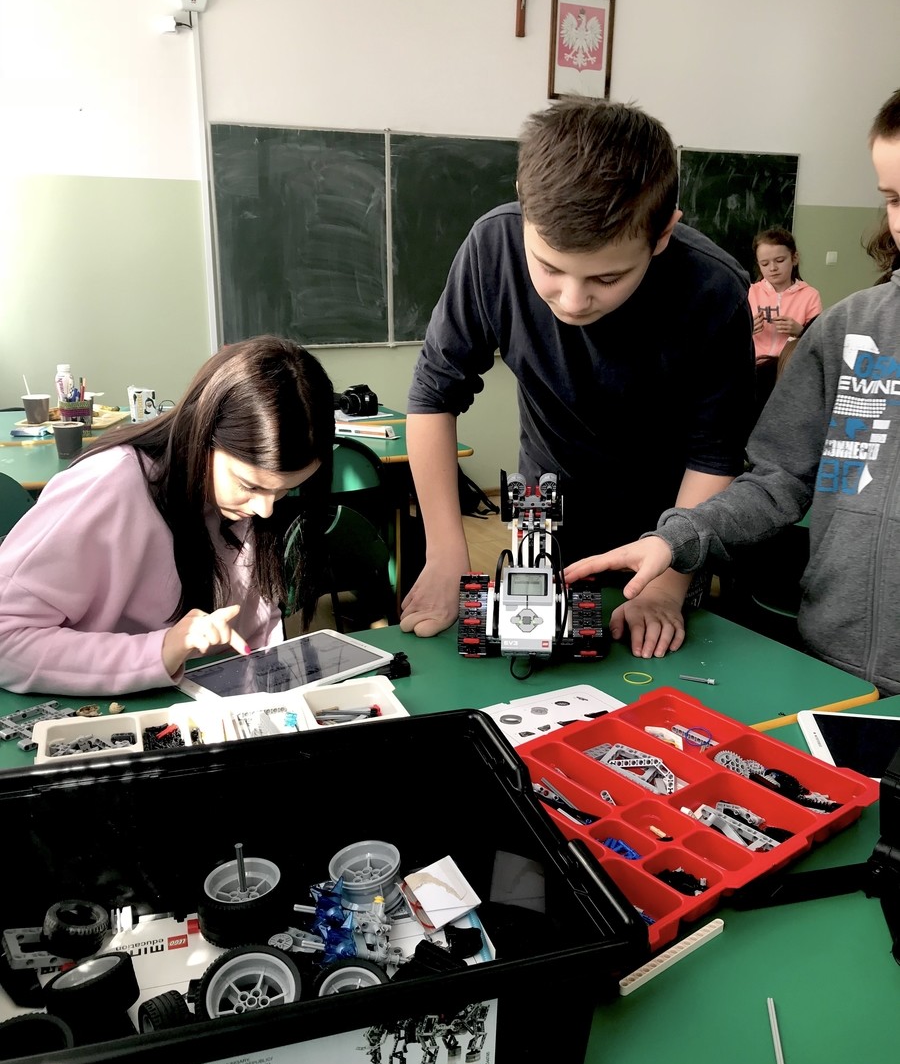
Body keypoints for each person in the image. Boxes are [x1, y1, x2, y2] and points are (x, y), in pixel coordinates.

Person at [564, 88, 900, 695]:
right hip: (832, 666)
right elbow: (779, 479)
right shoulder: (850, 331)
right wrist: (676, 538)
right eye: (895, 199)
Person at [401, 96, 756, 658]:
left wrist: (664, 587)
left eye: (607, 278)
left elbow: (715, 455)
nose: (572, 299)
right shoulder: (493, 247)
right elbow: (432, 397)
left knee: (647, 668)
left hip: (664, 534)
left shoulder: (713, 290)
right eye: (549, 267)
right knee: (535, 657)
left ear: (663, 233)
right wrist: (445, 552)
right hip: (545, 512)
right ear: (525, 208)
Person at [0, 336, 335, 695]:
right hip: (102, 713)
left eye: (284, 491)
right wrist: (163, 650)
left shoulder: (238, 502)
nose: (265, 509)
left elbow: (256, 629)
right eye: (249, 485)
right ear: (203, 435)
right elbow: (7, 641)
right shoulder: (110, 485)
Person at [749, 227, 822, 413]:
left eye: (780, 260)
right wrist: (746, 328)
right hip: (754, 369)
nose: (773, 268)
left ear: (794, 258)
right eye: (765, 264)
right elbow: (728, 336)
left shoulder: (810, 295)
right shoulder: (750, 292)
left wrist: (801, 331)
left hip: (790, 369)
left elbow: (819, 340)